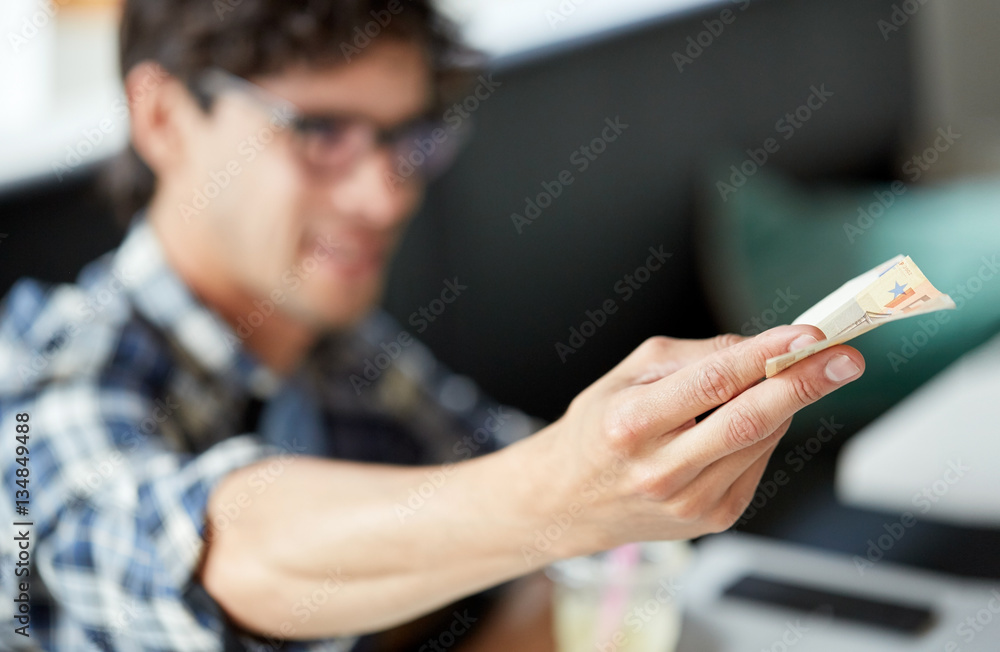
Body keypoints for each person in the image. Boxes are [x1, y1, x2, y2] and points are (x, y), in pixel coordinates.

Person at [0, 0, 865, 649]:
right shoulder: (46, 383)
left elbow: (500, 493)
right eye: (320, 133)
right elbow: (192, 551)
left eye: (405, 140)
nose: (385, 196)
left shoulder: (341, 351)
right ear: (161, 117)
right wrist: (561, 490)